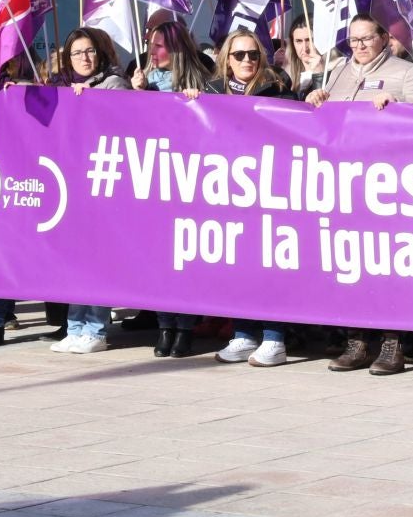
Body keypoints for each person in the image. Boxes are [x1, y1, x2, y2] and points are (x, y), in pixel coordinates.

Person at [310, 15, 413, 374]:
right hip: (344, 184)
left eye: (366, 39)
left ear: (383, 38)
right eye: (353, 41)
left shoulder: (406, 71)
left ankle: (392, 343)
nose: (360, 47)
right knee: (351, 263)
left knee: (387, 266)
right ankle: (357, 341)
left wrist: (398, 104)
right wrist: (317, 98)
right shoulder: (337, 71)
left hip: (388, 185)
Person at [132, 19, 218, 358]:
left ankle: (184, 328)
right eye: (151, 46)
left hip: (190, 180)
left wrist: (199, 102)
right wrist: (136, 94)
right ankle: (164, 325)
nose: (152, 53)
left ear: (176, 48)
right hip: (155, 178)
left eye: (158, 46)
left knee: (185, 260)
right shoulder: (146, 79)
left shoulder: (204, 80)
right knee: (159, 261)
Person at [45, 28, 130, 353]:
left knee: (96, 259)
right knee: (74, 260)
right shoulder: (63, 87)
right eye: (77, 52)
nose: (84, 58)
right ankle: (75, 325)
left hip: (102, 183)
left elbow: (118, 120)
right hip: (71, 183)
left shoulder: (113, 83)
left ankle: (96, 327)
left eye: (90, 51)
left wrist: (90, 100)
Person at [212, 30, 294, 367]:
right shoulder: (212, 92)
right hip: (228, 189)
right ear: (227, 60)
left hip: (267, 189)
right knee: (237, 265)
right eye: (239, 55)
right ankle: (243, 334)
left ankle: (274, 337)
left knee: (268, 265)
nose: (247, 60)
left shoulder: (277, 89)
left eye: (253, 55)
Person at [284, 17, 326, 97]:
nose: (305, 48)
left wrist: (320, 75)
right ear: (293, 44)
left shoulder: (336, 71)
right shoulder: (286, 77)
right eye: (299, 41)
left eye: (309, 40)